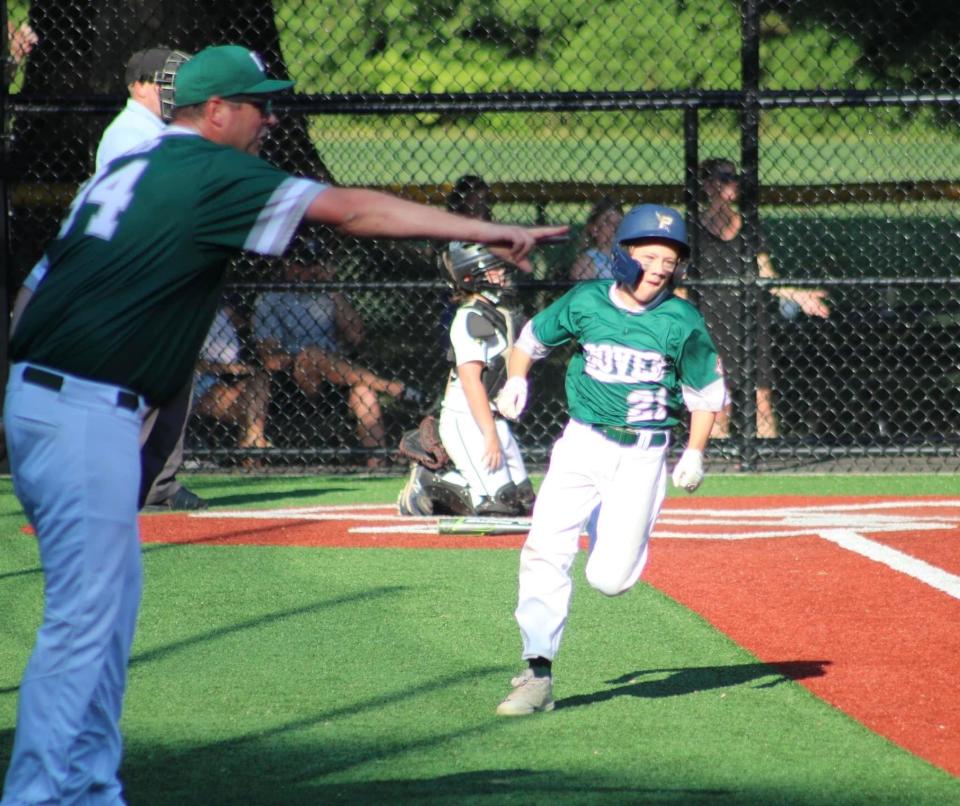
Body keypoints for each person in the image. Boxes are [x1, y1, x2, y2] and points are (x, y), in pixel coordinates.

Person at [0, 43, 565, 803]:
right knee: (84, 618)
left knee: (104, 608)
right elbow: (355, 209)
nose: (271, 118)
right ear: (217, 111)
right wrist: (482, 230)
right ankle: (40, 796)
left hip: (47, 399)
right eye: (259, 104)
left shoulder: (129, 166)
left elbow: (37, 291)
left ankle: (90, 788)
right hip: (83, 407)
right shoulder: (209, 168)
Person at [491, 204, 727, 716]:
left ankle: (608, 517)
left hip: (643, 456)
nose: (661, 267)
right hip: (583, 442)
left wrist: (695, 452)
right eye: (650, 255)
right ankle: (537, 671)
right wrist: (516, 378)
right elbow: (529, 341)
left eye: (670, 258)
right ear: (623, 255)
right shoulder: (587, 301)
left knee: (611, 580)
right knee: (544, 548)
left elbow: (706, 394)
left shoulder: (681, 319)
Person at [10, 45, 206, 511]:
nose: (176, 92)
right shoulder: (131, 132)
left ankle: (156, 484)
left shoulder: (163, 131)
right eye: (167, 83)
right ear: (139, 86)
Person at [691, 158, 830, 439]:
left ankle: (767, 466)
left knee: (762, 402)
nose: (731, 183)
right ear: (707, 185)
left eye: (734, 177)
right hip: (710, 322)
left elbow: (766, 275)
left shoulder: (749, 226)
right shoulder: (692, 228)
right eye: (723, 177)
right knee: (719, 404)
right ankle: (720, 468)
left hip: (749, 321)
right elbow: (681, 283)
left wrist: (798, 295)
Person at [397, 241, 535, 517]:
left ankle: (474, 483)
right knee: (498, 505)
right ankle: (429, 481)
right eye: (492, 271)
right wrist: (490, 434)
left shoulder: (497, 312)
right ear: (470, 277)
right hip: (467, 419)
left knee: (524, 501)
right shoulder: (470, 318)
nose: (501, 276)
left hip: (490, 417)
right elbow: (472, 382)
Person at [251, 242, 421, 468]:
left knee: (364, 391)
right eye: (301, 264)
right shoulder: (270, 300)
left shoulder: (327, 296)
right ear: (287, 265)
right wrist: (305, 357)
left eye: (314, 265)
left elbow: (356, 336)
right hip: (289, 383)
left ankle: (377, 462)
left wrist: (333, 288)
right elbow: (270, 359)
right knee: (311, 355)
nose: (307, 271)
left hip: (335, 378)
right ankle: (392, 387)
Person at [193, 304, 272, 465]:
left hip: (231, 377)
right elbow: (192, 363)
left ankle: (253, 441)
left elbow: (246, 325)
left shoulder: (222, 311)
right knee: (251, 412)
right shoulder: (191, 314)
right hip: (203, 379)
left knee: (259, 380)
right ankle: (254, 448)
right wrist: (228, 368)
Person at [569, 197, 623, 281]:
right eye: (607, 223)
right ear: (594, 229)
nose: (614, 228)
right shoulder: (587, 261)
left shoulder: (630, 256)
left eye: (618, 223)